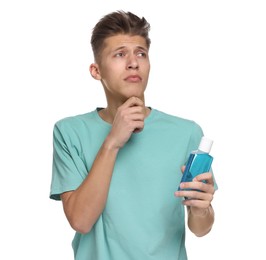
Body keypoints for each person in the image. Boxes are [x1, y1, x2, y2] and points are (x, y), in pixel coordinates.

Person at [50, 10, 217, 260]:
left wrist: (201, 210)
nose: (133, 62)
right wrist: (112, 142)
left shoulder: (186, 133)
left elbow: (200, 228)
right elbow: (81, 221)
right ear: (97, 71)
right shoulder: (70, 132)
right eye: (120, 54)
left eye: (141, 53)